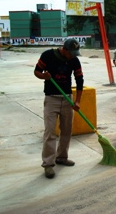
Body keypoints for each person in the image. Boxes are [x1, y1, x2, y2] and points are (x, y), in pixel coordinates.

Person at [34, 38, 84, 179]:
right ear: (65, 49)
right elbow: (37, 71)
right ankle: (48, 164)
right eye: (72, 53)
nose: (73, 55)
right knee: (50, 131)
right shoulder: (48, 55)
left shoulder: (74, 60)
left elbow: (80, 80)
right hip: (51, 99)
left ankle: (61, 157)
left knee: (66, 130)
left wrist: (78, 101)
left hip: (67, 98)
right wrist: (44, 76)